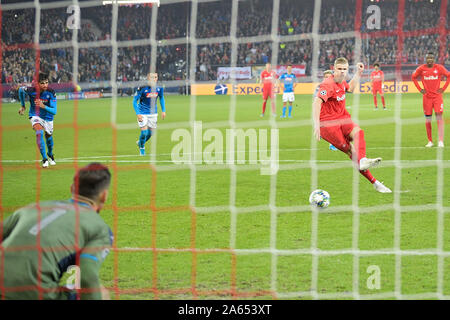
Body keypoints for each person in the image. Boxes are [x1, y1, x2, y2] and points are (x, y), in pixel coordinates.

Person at [0, 163, 113, 300]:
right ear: (104, 196)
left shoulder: (34, 208)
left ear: (72, 188)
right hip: (35, 292)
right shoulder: (100, 228)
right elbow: (87, 276)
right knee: (100, 294)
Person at [312, 57, 392, 193]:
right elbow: (317, 102)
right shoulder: (328, 84)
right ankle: (375, 182)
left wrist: (358, 73)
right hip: (328, 125)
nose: (342, 72)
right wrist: (316, 125)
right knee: (351, 152)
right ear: (334, 69)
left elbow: (351, 88)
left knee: (358, 132)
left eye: (345, 69)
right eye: (339, 69)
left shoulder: (342, 81)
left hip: (342, 118)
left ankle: (363, 160)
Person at [18, 72, 57, 168]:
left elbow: (54, 111)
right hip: (35, 115)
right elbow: (20, 90)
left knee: (48, 136)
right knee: (39, 132)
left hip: (48, 117)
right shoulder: (31, 90)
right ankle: (44, 159)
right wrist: (23, 105)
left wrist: (43, 106)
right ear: (37, 83)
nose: (45, 85)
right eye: (42, 83)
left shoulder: (51, 92)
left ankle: (50, 154)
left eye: (47, 82)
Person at [411, 52, 449, 148]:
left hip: (437, 98)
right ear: (426, 59)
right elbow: (413, 77)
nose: (430, 60)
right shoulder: (421, 69)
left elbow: (449, 75)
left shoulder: (439, 68)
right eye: (428, 58)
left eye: (431, 58)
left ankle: (440, 141)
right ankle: (430, 141)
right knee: (428, 119)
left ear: (434, 59)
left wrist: (443, 88)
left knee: (439, 117)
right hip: (427, 98)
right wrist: (420, 89)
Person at [133, 72, 166, 156]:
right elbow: (134, 101)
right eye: (152, 77)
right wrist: (138, 114)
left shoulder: (159, 88)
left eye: (155, 77)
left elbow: (161, 98)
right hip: (142, 113)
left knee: (151, 133)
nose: (154, 79)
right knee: (144, 133)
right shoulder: (142, 88)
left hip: (153, 113)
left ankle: (140, 142)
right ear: (148, 78)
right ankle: (142, 148)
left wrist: (163, 110)